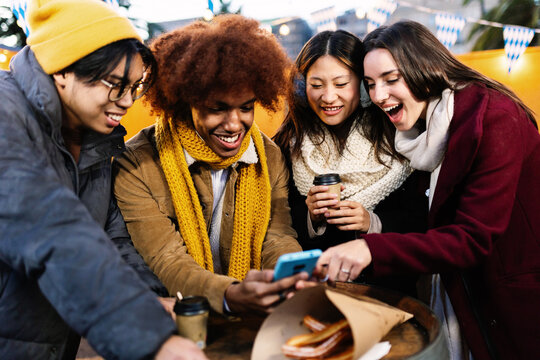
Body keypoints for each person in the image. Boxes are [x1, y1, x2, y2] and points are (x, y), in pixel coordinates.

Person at [316, 20, 540, 360]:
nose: (378, 96)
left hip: (514, 301)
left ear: (426, 68)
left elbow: (471, 237)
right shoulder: (419, 134)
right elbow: (423, 224)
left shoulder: (495, 117)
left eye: (391, 80)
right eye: (371, 84)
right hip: (464, 295)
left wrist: (370, 249)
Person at [0, 0, 207, 359]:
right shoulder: (6, 116)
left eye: (134, 87)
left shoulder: (94, 137)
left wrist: (150, 298)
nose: (127, 101)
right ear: (62, 70)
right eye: (115, 85)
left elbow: (110, 236)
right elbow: (52, 228)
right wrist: (147, 336)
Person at [113, 14, 306, 316]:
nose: (234, 124)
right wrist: (229, 294)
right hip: (177, 321)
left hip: (257, 320)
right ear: (184, 102)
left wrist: (288, 276)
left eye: (245, 108)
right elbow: (165, 258)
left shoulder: (269, 157)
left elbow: (277, 234)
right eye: (217, 109)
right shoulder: (136, 163)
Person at [273, 30, 428, 295]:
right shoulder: (288, 143)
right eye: (317, 84)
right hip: (320, 293)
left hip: (391, 293)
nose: (329, 97)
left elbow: (424, 223)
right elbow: (278, 228)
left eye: (341, 83)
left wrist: (373, 223)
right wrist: (311, 217)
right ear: (302, 87)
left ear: (363, 85)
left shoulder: (399, 135)